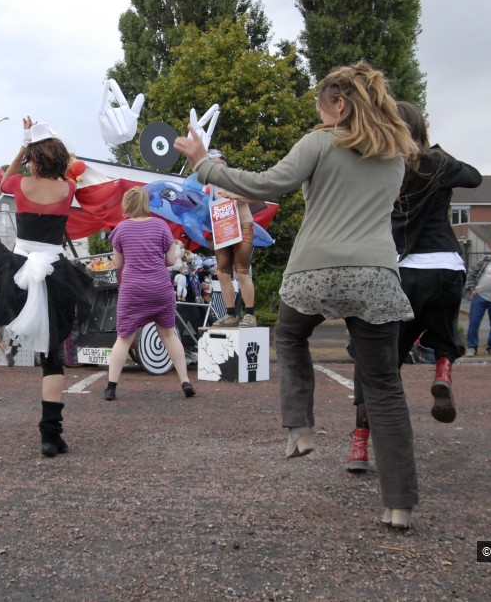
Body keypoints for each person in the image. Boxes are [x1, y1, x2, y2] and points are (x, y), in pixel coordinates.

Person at [175, 61, 419, 529]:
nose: (319, 114)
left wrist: (203, 165)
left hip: (315, 268)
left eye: (321, 106)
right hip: (376, 274)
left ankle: (301, 428)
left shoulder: (319, 143)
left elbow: (265, 185)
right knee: (385, 388)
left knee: (289, 336)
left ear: (339, 104)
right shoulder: (395, 154)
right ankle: (399, 505)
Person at [345, 101, 483, 471]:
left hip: (397, 271)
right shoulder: (438, 162)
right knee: (445, 330)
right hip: (446, 267)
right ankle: (442, 371)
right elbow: (474, 177)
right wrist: (436, 153)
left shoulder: (377, 165)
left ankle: (360, 445)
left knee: (373, 359)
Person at [0, 117, 92, 458]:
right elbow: (68, 176)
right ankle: (51, 436)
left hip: (18, 272)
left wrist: (24, 144)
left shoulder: (18, 183)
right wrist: (39, 143)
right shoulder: (68, 189)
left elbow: (5, 179)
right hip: (55, 274)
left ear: (33, 159)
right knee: (52, 357)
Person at [103, 187, 195, 401]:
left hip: (133, 290)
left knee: (123, 339)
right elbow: (171, 260)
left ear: (127, 204)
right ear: (146, 203)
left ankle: (111, 387)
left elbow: (118, 264)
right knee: (169, 335)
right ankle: (185, 381)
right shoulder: (161, 226)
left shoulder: (120, 229)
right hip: (159, 288)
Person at [207, 150, 259, 328]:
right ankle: (230, 315)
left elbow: (254, 195)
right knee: (222, 273)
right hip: (223, 229)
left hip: (242, 226)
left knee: (241, 271)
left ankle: (250, 314)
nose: (218, 163)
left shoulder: (236, 176)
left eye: (220, 160)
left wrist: (233, 195)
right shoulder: (210, 185)